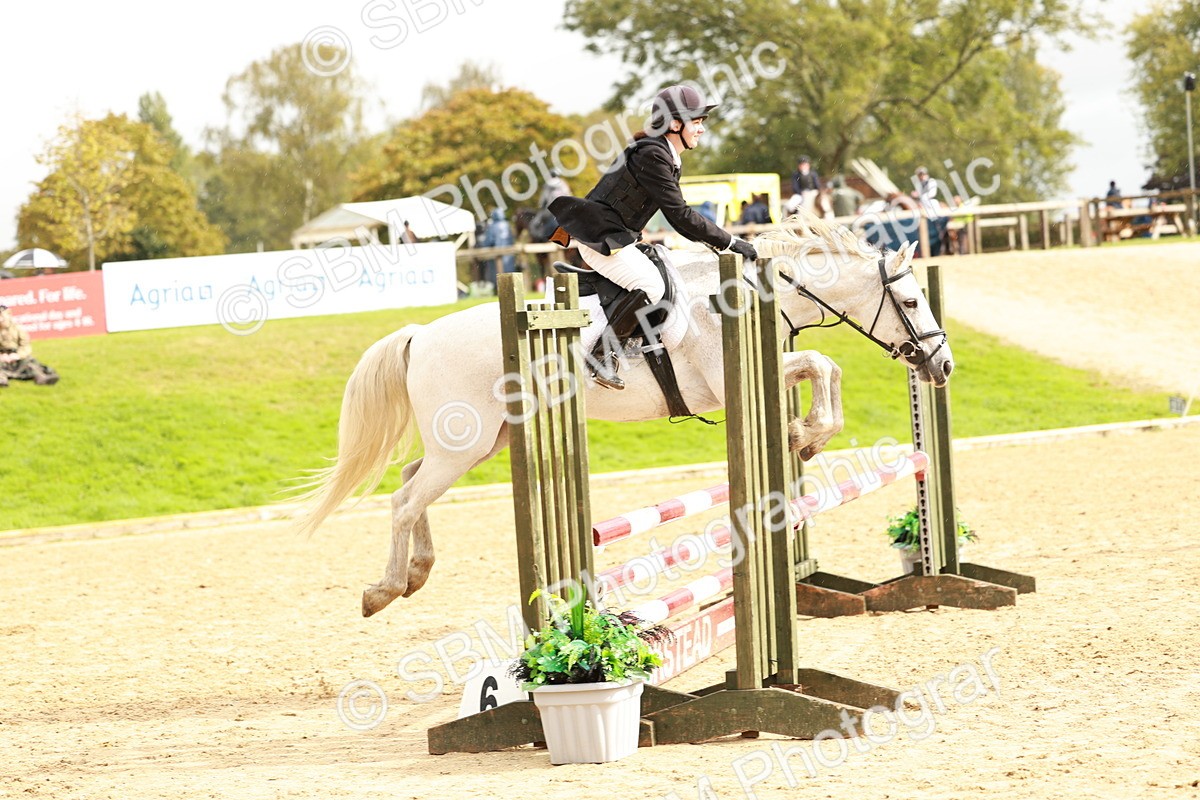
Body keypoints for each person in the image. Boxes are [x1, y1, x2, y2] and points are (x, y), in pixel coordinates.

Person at [549, 85, 757, 390]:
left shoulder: (664, 153)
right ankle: (601, 355)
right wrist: (729, 242)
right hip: (599, 238)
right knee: (651, 286)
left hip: (617, 236)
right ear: (675, 124)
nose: (701, 129)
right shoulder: (653, 154)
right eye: (696, 121)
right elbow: (680, 216)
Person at [0, 305, 58, 387]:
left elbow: (25, 346)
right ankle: (2, 380)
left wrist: (17, 355)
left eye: (2, 315)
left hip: (16, 355)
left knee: (30, 362)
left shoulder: (18, 329)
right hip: (2, 355)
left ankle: (41, 378)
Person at [479, 209, 516, 288]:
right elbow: (512, 239)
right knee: (510, 275)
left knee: (497, 277)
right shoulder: (507, 225)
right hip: (509, 255)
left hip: (496, 256)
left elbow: (488, 241)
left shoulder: (492, 226)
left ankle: (499, 289)